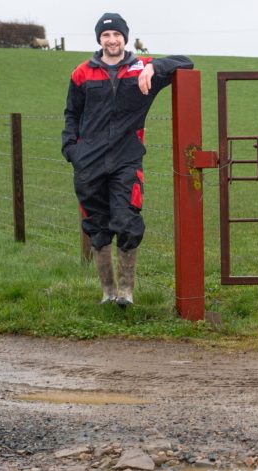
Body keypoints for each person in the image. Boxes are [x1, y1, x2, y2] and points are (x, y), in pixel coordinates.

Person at [62, 13, 193, 306]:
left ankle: (126, 293)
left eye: (117, 35)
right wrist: (71, 149)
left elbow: (186, 61)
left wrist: (154, 67)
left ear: (125, 37)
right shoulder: (82, 73)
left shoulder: (140, 69)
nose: (112, 40)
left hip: (126, 160)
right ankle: (108, 293)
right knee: (97, 226)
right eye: (106, 36)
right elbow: (72, 114)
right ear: (99, 39)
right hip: (88, 163)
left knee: (127, 221)